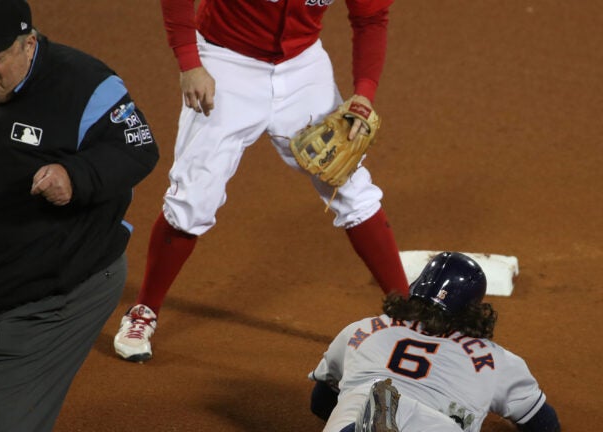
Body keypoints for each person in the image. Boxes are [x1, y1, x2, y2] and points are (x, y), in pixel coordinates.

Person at [0, 0, 159, 430]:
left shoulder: (85, 86)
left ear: (29, 43)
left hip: (55, 292)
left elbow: (139, 150)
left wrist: (75, 176)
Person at [113, 0, 410, 363]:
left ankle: (408, 314)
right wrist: (190, 63)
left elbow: (372, 17)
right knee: (193, 199)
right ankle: (144, 309)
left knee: (350, 186)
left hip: (304, 68)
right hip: (225, 62)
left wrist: (364, 94)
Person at [308, 252, 561, 432]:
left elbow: (320, 403)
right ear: (474, 311)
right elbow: (543, 423)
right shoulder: (497, 361)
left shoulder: (361, 331)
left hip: (364, 415)